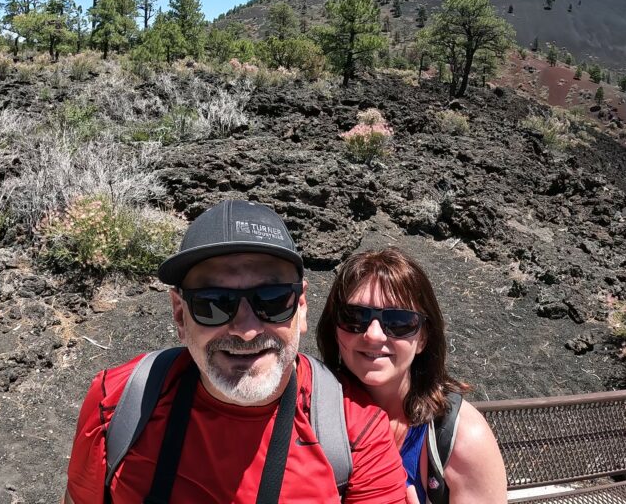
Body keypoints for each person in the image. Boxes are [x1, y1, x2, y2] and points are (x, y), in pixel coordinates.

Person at [64, 199, 407, 504]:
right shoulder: (117, 403)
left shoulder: (355, 434)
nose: (246, 330)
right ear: (180, 315)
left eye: (272, 301)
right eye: (213, 304)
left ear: (300, 307)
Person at [316, 248, 508, 504]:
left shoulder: (461, 439)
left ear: (423, 338)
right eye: (355, 317)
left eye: (399, 322)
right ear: (334, 328)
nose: (373, 335)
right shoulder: (309, 415)